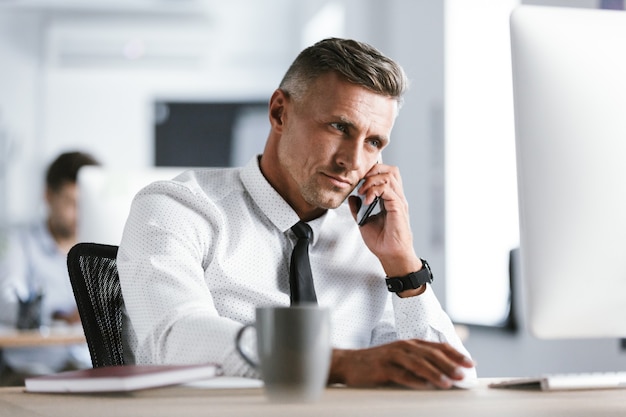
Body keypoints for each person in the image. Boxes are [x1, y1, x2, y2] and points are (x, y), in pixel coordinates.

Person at [118, 38, 477, 389]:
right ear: (279, 112)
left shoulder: (366, 242)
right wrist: (337, 363)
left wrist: (404, 266)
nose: (352, 162)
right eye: (339, 127)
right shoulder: (178, 208)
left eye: (373, 142)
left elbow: (454, 380)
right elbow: (173, 337)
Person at [0, 151, 99, 386]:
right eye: (70, 202)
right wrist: (59, 316)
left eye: (85, 204)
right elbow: (7, 301)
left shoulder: (100, 246)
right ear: (48, 196)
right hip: (33, 369)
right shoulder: (19, 243)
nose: (79, 214)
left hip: (86, 366)